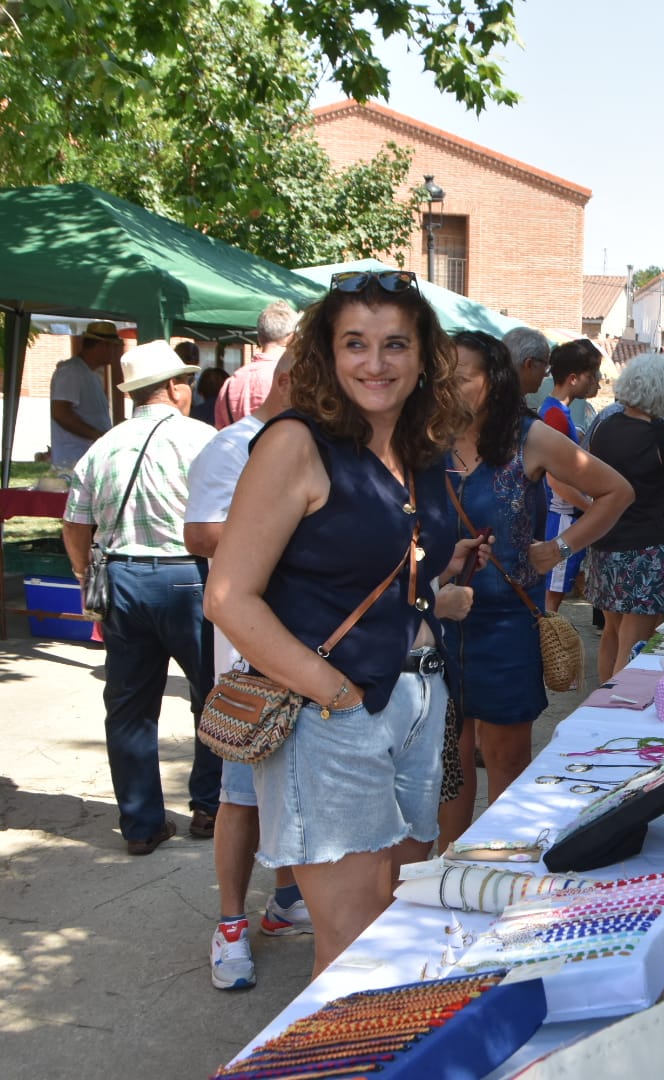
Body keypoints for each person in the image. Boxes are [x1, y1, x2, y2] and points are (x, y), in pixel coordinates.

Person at [204, 268, 483, 977]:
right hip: (334, 716)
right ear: (327, 355)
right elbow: (229, 597)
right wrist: (336, 695)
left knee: (399, 923)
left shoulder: (418, 451)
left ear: (424, 357)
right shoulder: (295, 443)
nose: (375, 363)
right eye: (355, 344)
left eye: (395, 344)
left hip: (419, 701)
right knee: (357, 945)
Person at [438, 331, 631, 849]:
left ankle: (504, 869)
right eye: (442, 375)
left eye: (461, 377)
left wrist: (562, 547)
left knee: (504, 762)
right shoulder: (426, 438)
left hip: (504, 622)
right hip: (433, 623)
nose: (447, 386)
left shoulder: (529, 437)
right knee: (447, 768)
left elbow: (617, 491)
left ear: (494, 380)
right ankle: (447, 875)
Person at [183, 348, 309, 991]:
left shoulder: (318, 444)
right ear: (289, 379)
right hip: (251, 664)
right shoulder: (232, 447)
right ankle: (230, 925)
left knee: (292, 791)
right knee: (240, 796)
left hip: (309, 653)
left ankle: (286, 901)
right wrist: (285, 521)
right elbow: (201, 534)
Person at [60, 341, 217, 855]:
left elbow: (75, 525)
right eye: (186, 382)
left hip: (123, 579)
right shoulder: (203, 440)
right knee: (212, 697)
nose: (189, 391)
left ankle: (141, 824)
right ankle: (209, 805)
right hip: (188, 579)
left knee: (128, 706)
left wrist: (87, 575)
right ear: (173, 387)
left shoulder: (102, 446)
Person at [587, 352, 664, 681]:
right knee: (635, 641)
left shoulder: (604, 426)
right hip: (648, 548)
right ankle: (616, 709)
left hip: (605, 542)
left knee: (612, 633)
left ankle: (600, 703)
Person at [539, 339, 604, 613]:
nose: (597, 382)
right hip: (562, 517)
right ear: (574, 378)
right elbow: (555, 480)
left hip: (564, 515)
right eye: (592, 375)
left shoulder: (558, 412)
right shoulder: (554, 415)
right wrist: (591, 509)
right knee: (551, 599)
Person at [50, 322, 124, 469]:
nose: (115, 352)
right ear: (104, 346)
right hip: (74, 460)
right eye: (114, 347)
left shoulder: (90, 373)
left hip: (88, 459)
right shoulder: (71, 371)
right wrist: (97, 435)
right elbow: (60, 412)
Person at [216, 301, 298, 429]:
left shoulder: (229, 384)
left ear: (260, 337)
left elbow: (221, 430)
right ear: (291, 337)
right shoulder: (291, 379)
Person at [504, 326, 552, 398]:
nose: (546, 374)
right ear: (529, 364)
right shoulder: (508, 405)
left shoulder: (487, 396)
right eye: (545, 365)